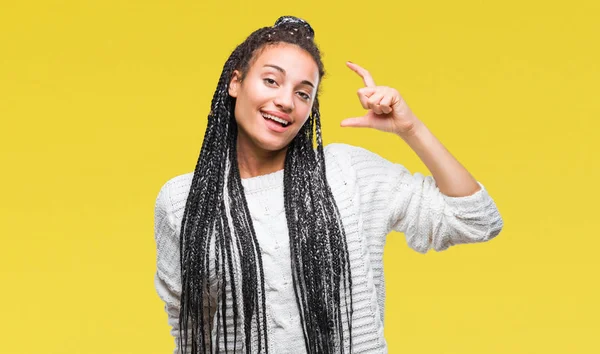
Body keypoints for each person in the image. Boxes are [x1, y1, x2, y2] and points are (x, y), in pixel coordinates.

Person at [153, 16, 503, 354]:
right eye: (272, 81)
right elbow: (188, 327)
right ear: (235, 83)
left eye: (304, 94)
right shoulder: (184, 201)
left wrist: (411, 129)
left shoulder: (345, 173)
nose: (286, 101)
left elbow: (476, 220)